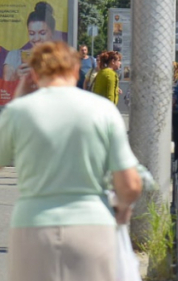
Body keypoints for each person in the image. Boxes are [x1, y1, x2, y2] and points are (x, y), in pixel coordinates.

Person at [0, 40, 142, 281]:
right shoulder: (103, 111)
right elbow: (129, 185)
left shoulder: (19, 112)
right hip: (92, 226)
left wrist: (21, 97)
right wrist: (121, 209)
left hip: (33, 226)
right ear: (76, 70)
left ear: (33, 73)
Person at [3, 1, 56, 82]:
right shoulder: (15, 56)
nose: (36, 38)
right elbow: (5, 84)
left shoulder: (58, 57)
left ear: (52, 33)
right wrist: (16, 75)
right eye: (32, 33)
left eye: (42, 33)